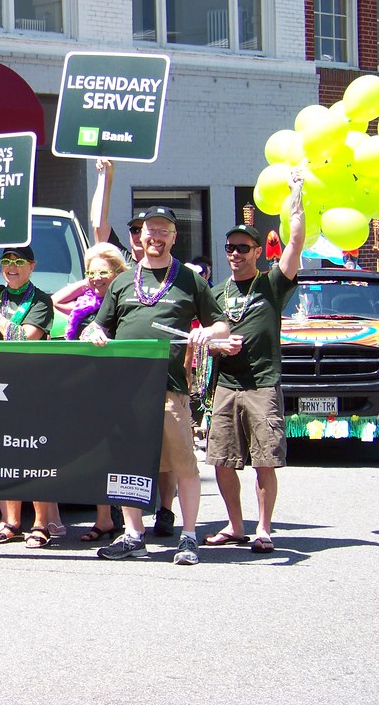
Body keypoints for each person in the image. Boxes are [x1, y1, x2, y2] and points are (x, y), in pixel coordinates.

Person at [86, 206, 231, 565]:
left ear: (173, 237)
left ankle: (188, 537)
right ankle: (133, 534)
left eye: (164, 230)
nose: (155, 236)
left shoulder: (190, 280)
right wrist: (94, 334)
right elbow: (99, 326)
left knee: (184, 465)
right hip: (125, 389)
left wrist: (205, 331)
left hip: (169, 389)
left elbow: (222, 327)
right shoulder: (122, 281)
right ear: (141, 235)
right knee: (125, 463)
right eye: (150, 229)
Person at [204, 175, 305, 555]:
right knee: (222, 460)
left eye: (243, 248)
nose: (235, 254)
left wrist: (296, 197)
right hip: (226, 385)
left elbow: (295, 241)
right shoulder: (217, 293)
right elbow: (206, 341)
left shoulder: (272, 284)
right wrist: (217, 347)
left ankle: (263, 528)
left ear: (258, 251)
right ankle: (235, 526)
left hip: (262, 383)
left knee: (264, 460)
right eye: (230, 248)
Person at [0, 246, 56, 548]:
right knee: (1, 453)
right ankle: (10, 522)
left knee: (34, 456)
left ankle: (40, 523)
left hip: (31, 386)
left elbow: (24, 336)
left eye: (19, 261)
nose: (11, 266)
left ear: (31, 266)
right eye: (6, 261)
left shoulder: (41, 300)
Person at [52, 242, 127, 542]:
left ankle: (120, 516)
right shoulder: (84, 303)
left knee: (116, 453)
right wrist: (92, 277)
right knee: (95, 453)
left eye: (103, 273)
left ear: (118, 273)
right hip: (85, 384)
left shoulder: (125, 301)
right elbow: (57, 299)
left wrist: (110, 278)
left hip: (115, 383)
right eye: (91, 273)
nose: (96, 278)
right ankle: (105, 517)